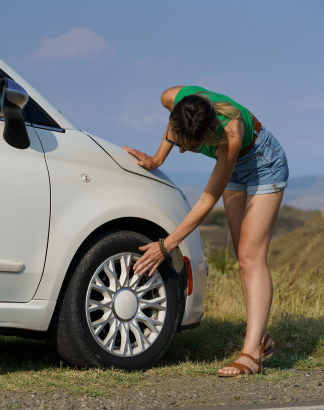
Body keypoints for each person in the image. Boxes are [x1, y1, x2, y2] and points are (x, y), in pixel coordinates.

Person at [122, 85, 288, 376]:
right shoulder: (171, 98)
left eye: (192, 147)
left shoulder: (231, 135)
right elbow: (175, 122)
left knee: (251, 256)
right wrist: (159, 157)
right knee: (242, 257)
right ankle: (259, 339)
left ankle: (251, 356)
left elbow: (207, 199)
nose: (183, 150)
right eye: (179, 142)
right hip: (235, 168)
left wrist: (166, 245)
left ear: (209, 137)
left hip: (263, 163)